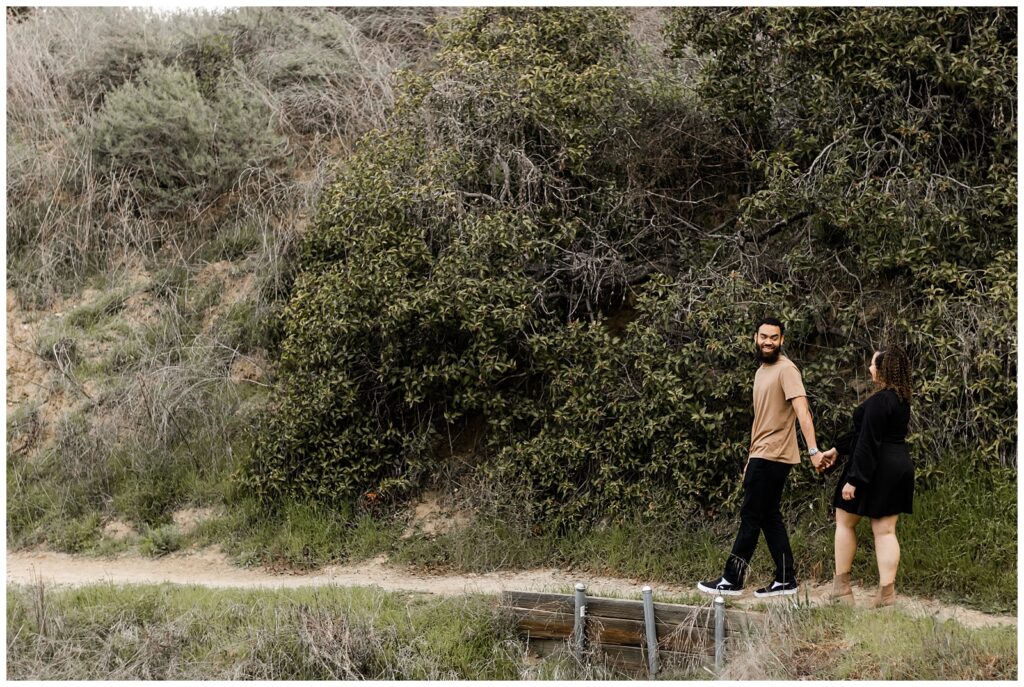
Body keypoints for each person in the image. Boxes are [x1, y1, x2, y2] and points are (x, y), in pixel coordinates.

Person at [698, 317, 826, 598]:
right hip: (761, 453)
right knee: (768, 516)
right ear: (755, 338)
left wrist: (813, 450)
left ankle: (732, 579)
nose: (768, 342)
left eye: (774, 337)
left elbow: (803, 411)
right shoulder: (761, 371)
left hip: (775, 454)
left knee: (751, 515)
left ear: (782, 340)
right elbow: (761, 419)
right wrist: (750, 457)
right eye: (764, 336)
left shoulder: (787, 370)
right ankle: (785, 579)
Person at [818, 346, 913, 608]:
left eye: (873, 365)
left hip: (876, 467)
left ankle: (842, 589)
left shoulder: (878, 401)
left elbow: (868, 442)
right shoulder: (900, 399)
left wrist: (854, 480)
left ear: (883, 369)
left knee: (845, 521)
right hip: (899, 466)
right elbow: (866, 434)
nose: (870, 369)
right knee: (885, 530)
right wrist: (838, 449)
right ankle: (886, 595)